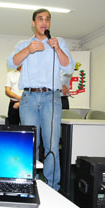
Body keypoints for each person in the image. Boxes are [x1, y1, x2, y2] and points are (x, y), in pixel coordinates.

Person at [7, 9, 74, 190]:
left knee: (51, 143)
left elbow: (68, 68)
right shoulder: (24, 44)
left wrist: (57, 48)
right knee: (31, 142)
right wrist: (28, 50)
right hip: (28, 98)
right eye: (40, 19)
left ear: (50, 23)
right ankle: (30, 182)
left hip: (51, 98)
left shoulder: (58, 42)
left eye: (47, 19)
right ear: (33, 23)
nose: (44, 22)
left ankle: (53, 187)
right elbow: (11, 63)